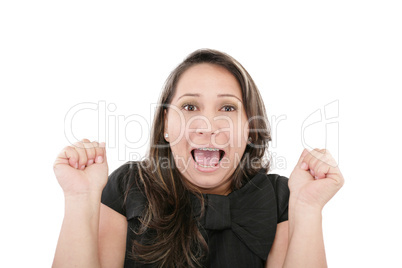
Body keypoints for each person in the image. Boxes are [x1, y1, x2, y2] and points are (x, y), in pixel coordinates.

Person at [52, 49, 344, 268]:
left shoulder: (282, 197)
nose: (207, 125)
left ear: (251, 129)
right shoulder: (129, 187)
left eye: (228, 109)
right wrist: (79, 199)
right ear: (166, 124)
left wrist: (307, 209)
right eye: (190, 106)